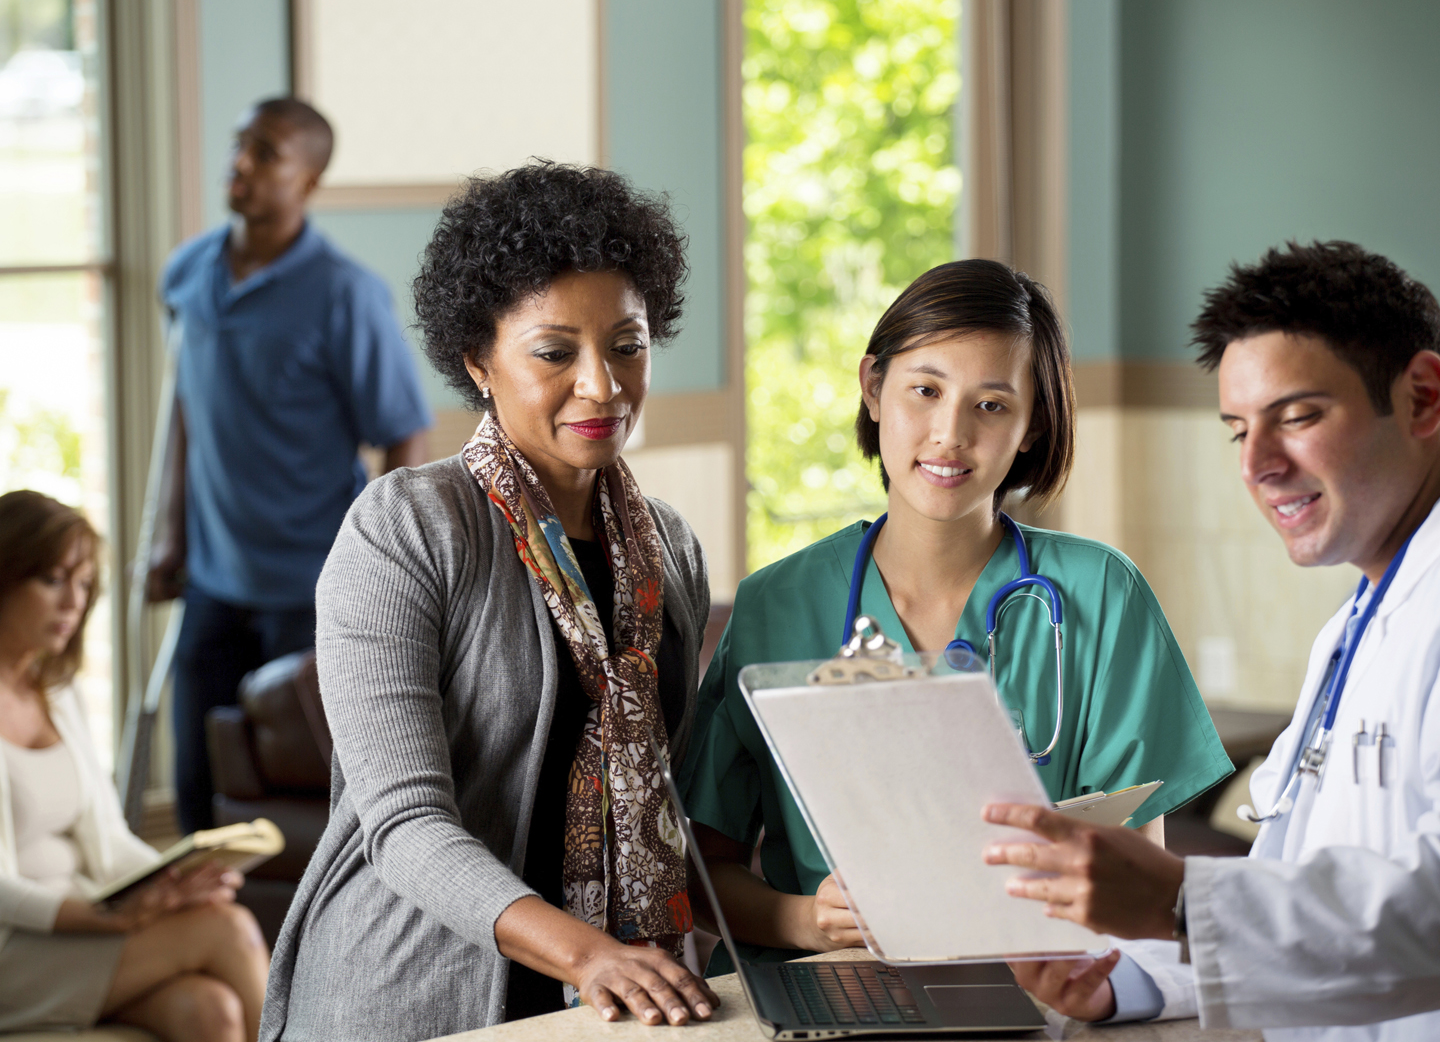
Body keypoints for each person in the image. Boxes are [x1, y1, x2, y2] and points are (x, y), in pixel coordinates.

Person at [258, 162, 721, 1042]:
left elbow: (675, 796)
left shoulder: (671, 550)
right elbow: (403, 824)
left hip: (609, 1008)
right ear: (479, 361)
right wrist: (587, 953)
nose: (603, 384)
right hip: (407, 1002)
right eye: (555, 352)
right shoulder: (405, 528)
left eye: (628, 344)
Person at [677, 258, 1235, 975]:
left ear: (1034, 425)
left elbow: (1141, 870)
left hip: (1045, 985)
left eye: (992, 405)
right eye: (925, 390)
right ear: (873, 389)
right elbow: (702, 864)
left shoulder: (1102, 593)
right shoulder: (775, 604)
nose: (950, 433)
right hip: (839, 985)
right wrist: (806, 921)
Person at [984, 241, 1440, 1041]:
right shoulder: (1361, 617)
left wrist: (1177, 899)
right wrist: (1120, 978)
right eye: (1238, 430)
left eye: (1298, 417)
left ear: (1425, 398)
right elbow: (1298, 894)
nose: (1258, 464)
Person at [150, 97, 432, 834]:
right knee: (200, 783)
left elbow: (404, 436)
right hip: (213, 578)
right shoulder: (186, 275)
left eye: (267, 152)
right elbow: (185, 414)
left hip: (308, 589)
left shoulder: (346, 295)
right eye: (241, 144)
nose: (240, 163)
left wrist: (373, 568)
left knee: (313, 799)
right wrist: (170, 536)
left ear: (307, 181)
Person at [0, 490, 270, 1041]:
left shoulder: (59, 692)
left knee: (210, 1010)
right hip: (17, 946)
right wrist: (108, 918)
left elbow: (108, 838)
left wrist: (171, 879)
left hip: (77, 925)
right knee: (229, 930)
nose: (72, 603)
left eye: (82, 586)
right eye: (53, 580)